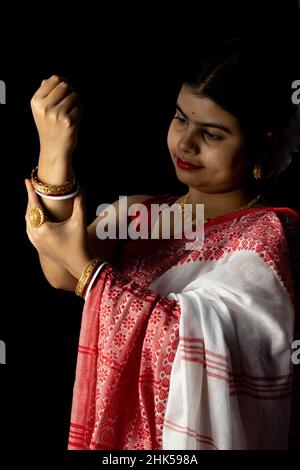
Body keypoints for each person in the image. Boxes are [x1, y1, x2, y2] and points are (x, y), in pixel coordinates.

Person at [25, 38, 300, 450]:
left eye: (212, 133)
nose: (186, 143)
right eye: (180, 119)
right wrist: (54, 151)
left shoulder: (268, 235)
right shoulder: (143, 214)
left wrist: (89, 272)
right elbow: (61, 273)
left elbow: (212, 349)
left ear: (263, 145)